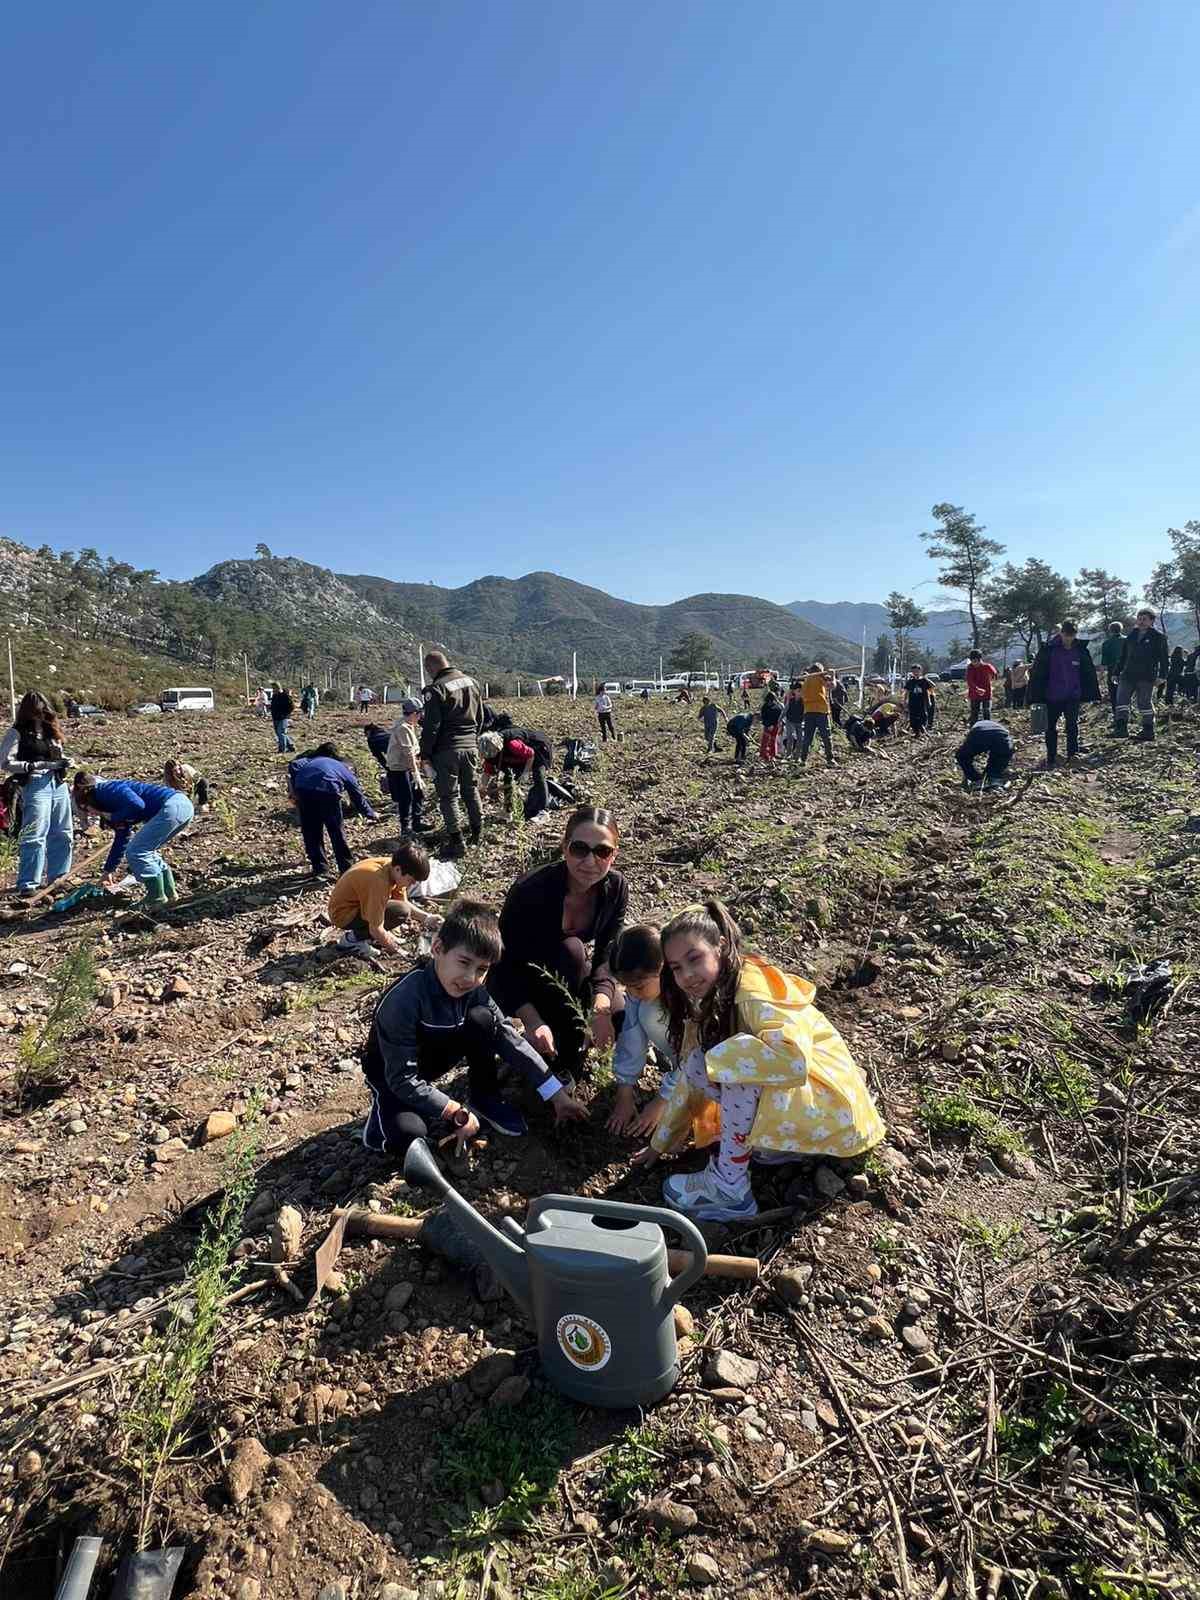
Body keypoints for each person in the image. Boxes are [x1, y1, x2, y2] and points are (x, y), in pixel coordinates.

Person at [630, 901, 885, 1221]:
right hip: (810, 1112)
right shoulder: (717, 993)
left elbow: (794, 1061)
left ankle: (730, 1191)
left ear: (720, 946)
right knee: (702, 1060)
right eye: (677, 967)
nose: (687, 975)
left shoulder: (752, 990)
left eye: (694, 958)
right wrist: (660, 1143)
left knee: (733, 1062)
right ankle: (771, 1150)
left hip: (837, 1117)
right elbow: (692, 1074)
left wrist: (723, 1060)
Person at [360, 899, 588, 1150]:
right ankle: (380, 1120)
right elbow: (401, 1078)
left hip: (431, 1060)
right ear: (437, 948)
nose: (470, 978)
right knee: (410, 1135)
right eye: (463, 962)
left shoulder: (475, 991)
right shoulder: (404, 1000)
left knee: (483, 1019)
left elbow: (509, 1038)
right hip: (391, 1073)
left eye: (482, 969)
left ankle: (485, 1097)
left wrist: (556, 1094)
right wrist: (453, 1110)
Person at [488, 806, 627, 1081]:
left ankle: (573, 1044)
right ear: (564, 848)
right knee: (572, 951)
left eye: (602, 851)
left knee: (621, 1015)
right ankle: (543, 1047)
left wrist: (600, 1008)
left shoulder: (615, 889)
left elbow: (607, 955)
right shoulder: (531, 890)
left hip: (568, 971)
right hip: (521, 977)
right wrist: (531, 1020)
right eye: (579, 849)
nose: (590, 861)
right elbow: (503, 963)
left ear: (614, 855)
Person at [73, 771, 193, 905]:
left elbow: (137, 804)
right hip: (181, 807)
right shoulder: (111, 807)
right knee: (146, 850)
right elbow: (121, 839)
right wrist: (108, 871)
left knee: (137, 851)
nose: (91, 813)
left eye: (87, 809)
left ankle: (156, 897)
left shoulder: (106, 790)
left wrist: (113, 816)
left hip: (172, 805)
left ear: (87, 797)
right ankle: (170, 895)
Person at [607, 925, 679, 1137]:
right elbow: (631, 1039)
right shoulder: (641, 996)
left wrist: (661, 1102)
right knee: (644, 1011)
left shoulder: (688, 994)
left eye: (638, 986)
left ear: (663, 968)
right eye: (625, 987)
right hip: (683, 1065)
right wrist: (624, 1094)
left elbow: (695, 1055)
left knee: (649, 1013)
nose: (631, 993)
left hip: (714, 1071)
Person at [1, 691, 73, 897]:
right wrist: (32, 766)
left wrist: (66, 761)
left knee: (63, 832)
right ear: (29, 712)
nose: (41, 715)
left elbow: (58, 753)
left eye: (44, 711)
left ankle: (58, 877)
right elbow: (4, 762)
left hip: (58, 783)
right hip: (35, 784)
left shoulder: (52, 731)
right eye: (38, 712)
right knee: (34, 834)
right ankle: (28, 883)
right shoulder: (17, 733)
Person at [419, 650, 483, 859]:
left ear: (431, 668)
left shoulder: (436, 689)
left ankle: (457, 842)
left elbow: (432, 726)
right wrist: (473, 740)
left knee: (448, 797)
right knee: (471, 791)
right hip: (471, 747)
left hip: (447, 751)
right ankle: (477, 834)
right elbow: (480, 717)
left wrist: (425, 753)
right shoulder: (472, 682)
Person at [329, 841, 441, 954]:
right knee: (399, 911)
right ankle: (351, 940)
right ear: (398, 869)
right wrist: (397, 950)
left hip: (358, 905)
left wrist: (427, 918)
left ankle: (376, 937)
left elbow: (403, 902)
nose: (411, 885)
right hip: (342, 914)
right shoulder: (378, 881)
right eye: (411, 881)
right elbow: (375, 928)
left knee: (401, 909)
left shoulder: (393, 867)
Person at [288, 741, 378, 877]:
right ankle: (346, 868)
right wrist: (370, 813)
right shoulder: (342, 768)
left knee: (312, 832)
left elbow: (293, 765)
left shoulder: (307, 760)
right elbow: (356, 794)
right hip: (328, 792)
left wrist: (294, 789)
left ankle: (321, 870)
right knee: (336, 831)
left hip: (304, 791)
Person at [1027, 619, 1100, 769]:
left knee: (1072, 726)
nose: (1068, 637)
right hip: (1051, 696)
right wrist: (1034, 696)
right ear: (1061, 633)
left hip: (1073, 696)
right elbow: (1037, 674)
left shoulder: (1080, 650)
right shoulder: (1049, 650)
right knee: (1050, 727)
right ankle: (1051, 757)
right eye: (1066, 634)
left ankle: (1072, 756)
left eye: (1072, 634)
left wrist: (1089, 693)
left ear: (1075, 634)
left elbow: (1088, 673)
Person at [1113, 609, 1169, 742]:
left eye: (1145, 619)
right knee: (1121, 701)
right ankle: (1121, 729)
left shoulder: (1158, 637)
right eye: (1139, 618)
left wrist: (1162, 676)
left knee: (1144, 703)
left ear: (1151, 621)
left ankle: (1148, 730)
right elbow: (1123, 656)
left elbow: (1164, 659)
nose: (1141, 621)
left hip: (1146, 676)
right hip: (1127, 675)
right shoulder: (1131, 636)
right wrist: (1116, 672)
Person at [381, 698, 426, 835]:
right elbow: (409, 753)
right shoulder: (403, 728)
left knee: (418, 794)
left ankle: (417, 823)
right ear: (413, 713)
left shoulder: (409, 725)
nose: (420, 717)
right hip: (399, 769)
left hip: (407, 767)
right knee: (406, 797)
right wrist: (416, 774)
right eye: (419, 714)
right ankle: (405, 827)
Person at [955, 720, 1015, 791]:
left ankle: (976, 779)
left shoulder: (977, 725)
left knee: (962, 756)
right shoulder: (996, 725)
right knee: (998, 760)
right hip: (1004, 739)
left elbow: (966, 752)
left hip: (980, 734)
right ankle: (992, 779)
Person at [799, 664, 836, 767]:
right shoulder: (819, 678)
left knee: (807, 737)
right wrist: (833, 675)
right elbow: (832, 686)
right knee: (826, 736)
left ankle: (803, 760)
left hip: (808, 711)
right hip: (821, 711)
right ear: (819, 670)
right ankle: (830, 759)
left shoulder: (806, 681)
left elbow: (802, 695)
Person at [966, 651, 997, 724]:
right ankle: (973, 728)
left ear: (980, 660)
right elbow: (969, 681)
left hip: (986, 692)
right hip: (974, 693)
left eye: (976, 661)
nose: (974, 663)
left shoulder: (987, 666)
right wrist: (977, 689)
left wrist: (993, 678)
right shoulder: (970, 668)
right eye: (972, 661)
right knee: (974, 712)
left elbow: (995, 674)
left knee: (986, 711)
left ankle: (988, 727)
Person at [1099, 624, 1125, 714]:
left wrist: (1101, 675)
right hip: (1127, 671)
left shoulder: (1106, 643)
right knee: (1126, 694)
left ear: (1110, 630)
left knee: (1114, 695)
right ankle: (1126, 715)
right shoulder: (1127, 640)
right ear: (1121, 629)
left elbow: (1104, 662)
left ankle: (1117, 716)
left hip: (1112, 672)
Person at [904, 667, 936, 737]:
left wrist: (926, 679)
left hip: (922, 702)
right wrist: (905, 701)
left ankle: (923, 730)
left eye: (917, 671)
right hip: (912, 702)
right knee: (913, 717)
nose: (916, 673)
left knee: (923, 716)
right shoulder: (910, 682)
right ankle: (916, 732)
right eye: (914, 671)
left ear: (920, 672)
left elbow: (933, 686)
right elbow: (906, 692)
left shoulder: (924, 681)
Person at [269, 682, 296, 753]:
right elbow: (273, 706)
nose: (273, 690)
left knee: (281, 733)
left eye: (274, 688)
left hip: (283, 718)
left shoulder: (285, 695)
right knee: (279, 733)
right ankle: (290, 745)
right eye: (272, 688)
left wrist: (286, 715)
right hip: (275, 717)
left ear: (278, 688)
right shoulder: (275, 696)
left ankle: (282, 749)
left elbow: (292, 706)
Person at [781, 682, 804, 760]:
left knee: (800, 739)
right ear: (794, 691)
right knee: (790, 737)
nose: (800, 692)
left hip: (799, 721)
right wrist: (780, 719)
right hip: (790, 721)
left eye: (801, 691)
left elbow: (806, 712)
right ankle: (788, 754)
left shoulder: (803, 701)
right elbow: (785, 710)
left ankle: (797, 756)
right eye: (798, 691)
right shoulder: (791, 700)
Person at [759, 690, 783, 761]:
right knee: (770, 740)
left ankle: (768, 755)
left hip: (771, 726)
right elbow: (764, 717)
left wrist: (770, 725)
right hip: (772, 726)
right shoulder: (776, 707)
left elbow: (764, 717)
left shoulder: (766, 707)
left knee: (767, 741)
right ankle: (768, 756)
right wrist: (771, 725)